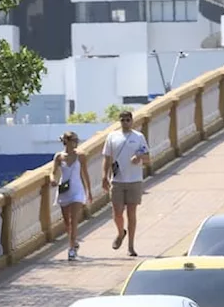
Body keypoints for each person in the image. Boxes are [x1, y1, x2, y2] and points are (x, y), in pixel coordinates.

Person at [102, 109, 151, 257]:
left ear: (132, 121)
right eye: (122, 120)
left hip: (134, 180)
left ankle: (131, 246)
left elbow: (148, 157)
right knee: (117, 213)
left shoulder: (139, 137)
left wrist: (139, 157)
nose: (125, 122)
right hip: (117, 180)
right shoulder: (112, 137)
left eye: (127, 120)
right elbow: (107, 158)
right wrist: (104, 176)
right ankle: (120, 232)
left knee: (131, 213)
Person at [51, 131, 92, 261]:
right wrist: (53, 180)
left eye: (75, 140)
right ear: (66, 141)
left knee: (73, 220)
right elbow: (53, 172)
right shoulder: (59, 156)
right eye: (72, 140)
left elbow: (85, 174)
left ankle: (71, 249)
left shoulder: (80, 156)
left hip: (77, 190)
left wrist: (88, 191)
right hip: (64, 190)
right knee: (67, 222)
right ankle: (73, 242)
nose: (75, 142)